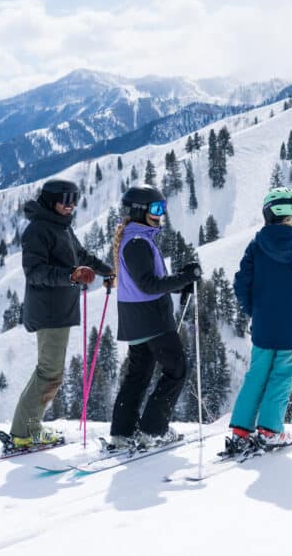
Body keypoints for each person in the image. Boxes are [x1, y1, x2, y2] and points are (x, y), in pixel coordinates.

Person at [9, 179, 113, 449]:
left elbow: (81, 255)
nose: (70, 206)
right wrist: (70, 275)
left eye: (74, 200)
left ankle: (29, 427)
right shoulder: (38, 230)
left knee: (50, 371)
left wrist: (107, 270)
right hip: (49, 311)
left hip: (59, 309)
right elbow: (35, 272)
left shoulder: (60, 226)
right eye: (64, 200)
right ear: (49, 200)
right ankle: (24, 432)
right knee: (50, 372)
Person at [226, 186, 292, 454]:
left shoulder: (256, 246)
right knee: (282, 376)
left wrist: (254, 309)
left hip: (264, 325)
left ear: (268, 213)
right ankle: (270, 431)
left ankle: (240, 431)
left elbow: (240, 284)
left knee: (256, 374)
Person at [108, 185, 201, 449]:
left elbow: (149, 282)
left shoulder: (135, 238)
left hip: (136, 317)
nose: (161, 214)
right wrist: (185, 278)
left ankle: (123, 432)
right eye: (156, 209)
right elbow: (149, 284)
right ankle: (152, 430)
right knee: (177, 369)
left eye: (163, 208)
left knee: (139, 373)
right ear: (139, 211)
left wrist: (181, 282)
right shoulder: (137, 242)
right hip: (151, 318)